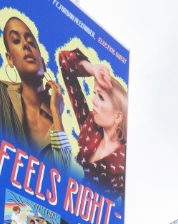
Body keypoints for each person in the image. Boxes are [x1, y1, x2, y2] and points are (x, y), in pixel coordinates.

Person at [0, 16, 71, 168]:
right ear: (10, 58)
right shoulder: (2, 94)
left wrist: (57, 116)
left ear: (44, 65)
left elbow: (62, 177)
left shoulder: (56, 122)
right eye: (16, 41)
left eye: (31, 42)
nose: (26, 45)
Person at [58, 47, 127, 198]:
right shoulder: (89, 126)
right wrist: (92, 69)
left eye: (101, 97)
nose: (93, 100)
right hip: (62, 203)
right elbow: (64, 59)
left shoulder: (125, 165)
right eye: (95, 93)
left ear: (118, 117)